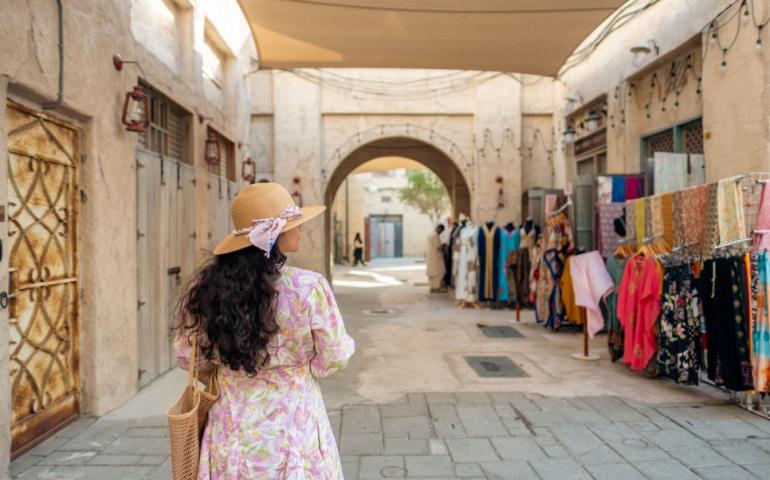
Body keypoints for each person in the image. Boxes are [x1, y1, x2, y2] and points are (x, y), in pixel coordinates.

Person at [175, 183, 355, 479]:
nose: (300, 229)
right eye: (293, 224)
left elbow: (188, 358)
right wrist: (300, 371)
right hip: (294, 418)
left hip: (230, 423)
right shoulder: (309, 288)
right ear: (275, 235)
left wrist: (231, 368)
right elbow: (335, 356)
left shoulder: (207, 289)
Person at [426, 224, 447, 292]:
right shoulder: (435, 235)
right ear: (439, 228)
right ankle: (436, 288)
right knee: (438, 272)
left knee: (432, 273)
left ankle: (432, 287)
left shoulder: (430, 234)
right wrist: (444, 245)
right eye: (441, 231)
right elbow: (438, 248)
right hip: (436, 257)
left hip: (430, 257)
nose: (441, 232)